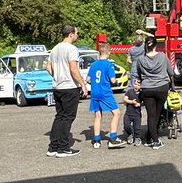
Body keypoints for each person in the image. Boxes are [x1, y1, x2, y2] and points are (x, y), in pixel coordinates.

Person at [46, 25, 88, 157]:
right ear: (71, 34)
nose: (77, 36)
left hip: (57, 87)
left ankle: (53, 147)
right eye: (77, 33)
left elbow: (48, 67)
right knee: (68, 117)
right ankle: (63, 148)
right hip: (69, 87)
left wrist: (57, 76)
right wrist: (83, 85)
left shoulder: (55, 49)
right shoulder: (72, 49)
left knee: (59, 116)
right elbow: (73, 68)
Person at [131, 36, 174, 150]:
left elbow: (139, 74)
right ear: (156, 46)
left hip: (147, 89)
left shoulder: (141, 59)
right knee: (157, 114)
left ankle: (150, 137)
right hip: (161, 88)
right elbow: (170, 72)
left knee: (151, 115)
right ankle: (155, 141)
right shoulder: (162, 56)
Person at [87, 43, 124, 150]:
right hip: (105, 92)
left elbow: (88, 79)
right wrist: (116, 81)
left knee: (98, 116)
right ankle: (113, 138)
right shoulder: (109, 65)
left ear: (99, 53)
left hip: (95, 93)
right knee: (116, 113)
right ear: (108, 52)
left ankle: (97, 140)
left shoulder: (93, 65)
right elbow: (113, 80)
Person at [121, 75, 143, 145]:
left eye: (138, 85)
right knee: (126, 125)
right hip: (128, 114)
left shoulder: (142, 94)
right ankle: (130, 134)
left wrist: (139, 104)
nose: (136, 86)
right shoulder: (129, 91)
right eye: (135, 84)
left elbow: (145, 103)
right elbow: (125, 99)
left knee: (137, 128)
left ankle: (137, 137)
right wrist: (131, 102)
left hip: (137, 114)